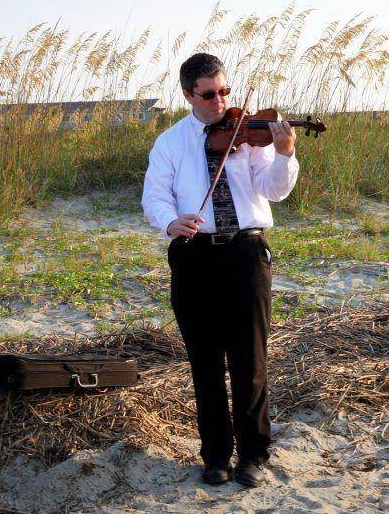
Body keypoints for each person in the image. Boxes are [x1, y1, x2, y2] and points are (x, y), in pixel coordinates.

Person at [141, 53, 299, 487]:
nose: (220, 101)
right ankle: (215, 456)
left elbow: (274, 190)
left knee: (250, 360)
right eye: (209, 94)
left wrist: (284, 154)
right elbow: (154, 197)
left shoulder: (249, 135)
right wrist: (170, 221)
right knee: (205, 363)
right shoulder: (171, 142)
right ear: (188, 94)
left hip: (246, 253)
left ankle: (253, 456)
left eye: (225, 91)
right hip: (195, 256)